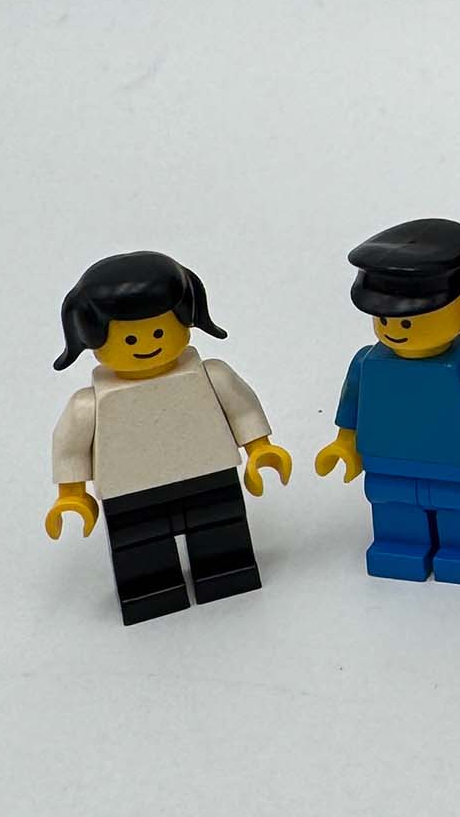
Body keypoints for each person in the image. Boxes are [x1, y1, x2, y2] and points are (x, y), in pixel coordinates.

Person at [46, 251, 290, 624]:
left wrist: (261, 450)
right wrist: (72, 495)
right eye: (128, 337)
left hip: (210, 474)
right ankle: (149, 590)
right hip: (130, 492)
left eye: (159, 331)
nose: (145, 344)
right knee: (140, 550)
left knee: (221, 534)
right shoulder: (89, 404)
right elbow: (71, 447)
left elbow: (242, 411)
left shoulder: (210, 375)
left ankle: (226, 572)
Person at [315, 218, 460, 587]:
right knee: (394, 509)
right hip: (388, 464)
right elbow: (353, 404)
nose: (393, 329)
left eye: (406, 321)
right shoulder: (367, 364)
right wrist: (345, 443)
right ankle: (400, 546)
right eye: (384, 319)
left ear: (454, 305)